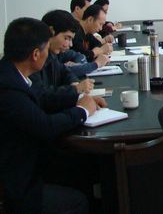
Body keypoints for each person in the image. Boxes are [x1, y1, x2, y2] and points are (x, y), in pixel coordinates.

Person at [0, 17, 100, 213]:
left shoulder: (13, 73)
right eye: (46, 50)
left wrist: (79, 100)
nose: (49, 56)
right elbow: (45, 126)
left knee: (86, 167)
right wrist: (82, 111)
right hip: (21, 181)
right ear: (36, 54)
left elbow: (42, 100)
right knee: (78, 199)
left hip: (31, 160)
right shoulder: (8, 89)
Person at [36, 11, 99, 102]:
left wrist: (74, 83)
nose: (70, 44)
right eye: (66, 38)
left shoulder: (52, 55)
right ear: (51, 32)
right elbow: (42, 97)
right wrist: (75, 89)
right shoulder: (34, 61)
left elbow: (65, 73)